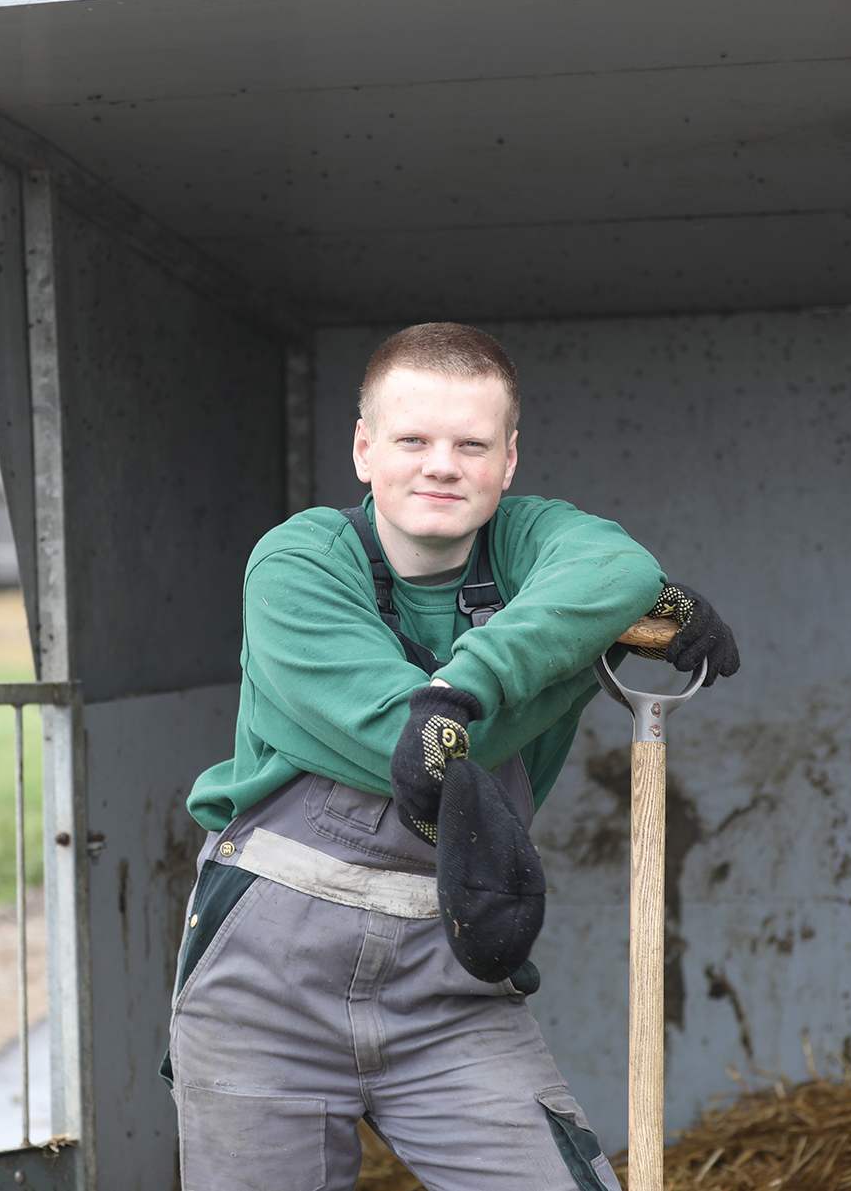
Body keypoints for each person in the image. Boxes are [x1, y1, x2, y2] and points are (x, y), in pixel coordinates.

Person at [167, 322, 740, 1190]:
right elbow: (415, 752)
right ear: (364, 449)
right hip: (266, 983)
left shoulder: (529, 537)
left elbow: (619, 568)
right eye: (412, 440)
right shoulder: (298, 562)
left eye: (471, 444)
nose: (441, 465)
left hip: (449, 977)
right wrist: (584, 650)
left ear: (508, 460)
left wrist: (464, 687)